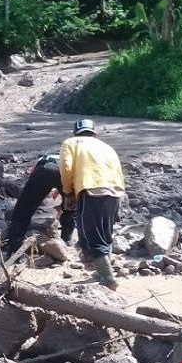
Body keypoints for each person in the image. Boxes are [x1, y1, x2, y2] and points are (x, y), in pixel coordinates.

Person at [59, 118, 125, 290]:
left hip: (92, 189)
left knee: (92, 235)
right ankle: (103, 270)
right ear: (95, 134)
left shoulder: (71, 142)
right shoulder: (105, 146)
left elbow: (66, 168)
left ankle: (108, 278)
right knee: (105, 232)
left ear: (75, 133)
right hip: (115, 190)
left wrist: (68, 193)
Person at [5, 153, 75, 255]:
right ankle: (67, 239)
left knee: (23, 210)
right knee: (70, 207)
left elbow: (34, 191)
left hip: (44, 170)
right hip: (65, 174)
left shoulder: (39, 163)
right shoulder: (66, 157)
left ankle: (14, 247)